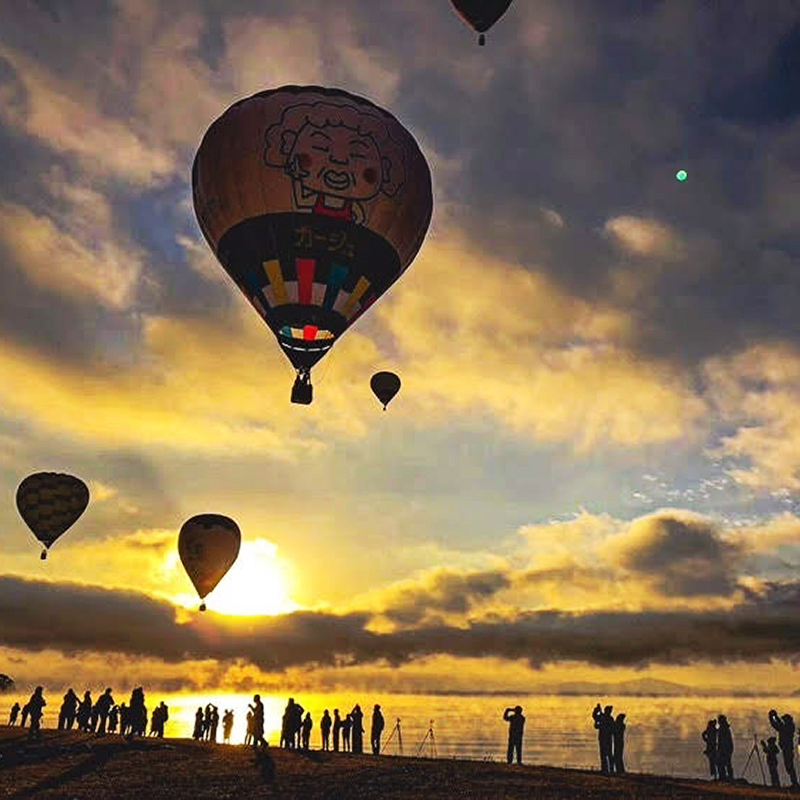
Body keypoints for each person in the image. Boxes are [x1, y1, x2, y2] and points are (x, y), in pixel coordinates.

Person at [769, 709, 798, 786]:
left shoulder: (787, 728)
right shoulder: (789, 726)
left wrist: (772, 717)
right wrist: (776, 717)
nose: (784, 721)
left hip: (787, 749)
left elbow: (777, 725)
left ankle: (794, 783)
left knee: (789, 766)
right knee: (789, 766)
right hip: (787, 749)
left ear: (787, 720)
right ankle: (794, 782)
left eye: (785, 719)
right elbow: (780, 724)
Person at [592, 703, 614, 774]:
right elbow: (594, 716)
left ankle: (607, 769)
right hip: (605, 738)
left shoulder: (606, 718)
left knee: (606, 755)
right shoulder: (609, 718)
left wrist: (597, 711)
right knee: (606, 754)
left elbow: (595, 718)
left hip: (605, 738)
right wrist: (596, 710)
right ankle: (608, 769)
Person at [716, 714, 733, 781]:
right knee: (725, 763)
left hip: (725, 749)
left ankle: (724, 777)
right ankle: (726, 776)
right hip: (727, 749)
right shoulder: (724, 728)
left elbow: (722, 741)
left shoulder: (724, 729)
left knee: (723, 763)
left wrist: (720, 750)